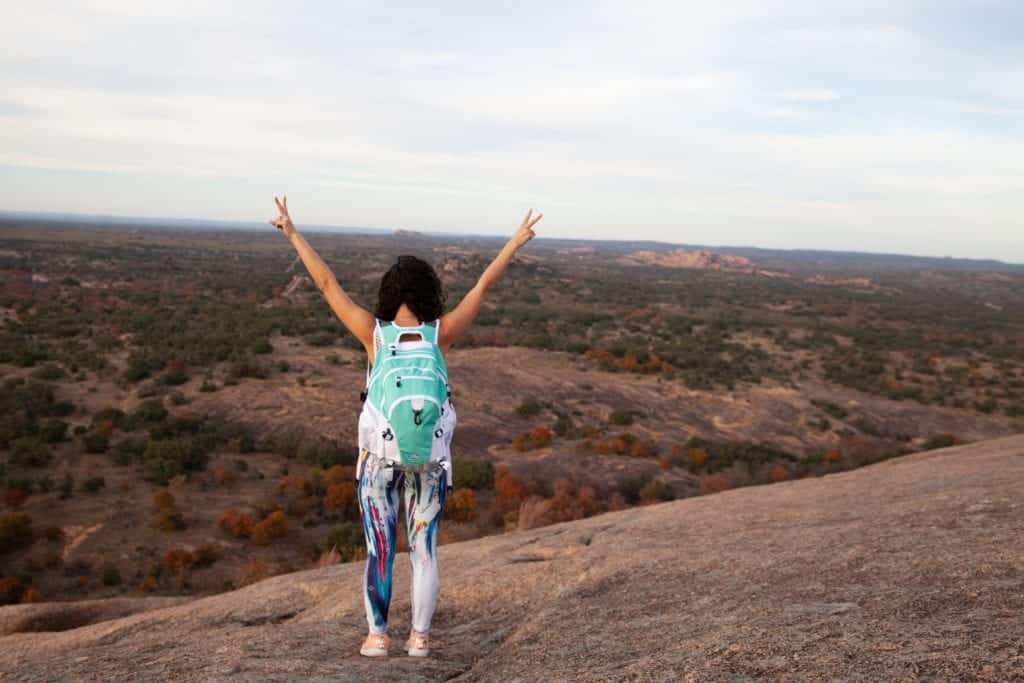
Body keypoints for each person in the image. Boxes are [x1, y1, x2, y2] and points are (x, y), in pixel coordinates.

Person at [270, 196, 542, 657]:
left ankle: (378, 637)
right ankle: (419, 640)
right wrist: (514, 243)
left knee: (380, 547)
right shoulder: (441, 333)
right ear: (428, 294)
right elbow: (482, 287)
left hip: (379, 459)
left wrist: (292, 232)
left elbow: (324, 282)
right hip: (429, 463)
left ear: (389, 292)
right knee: (424, 551)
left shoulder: (372, 333)